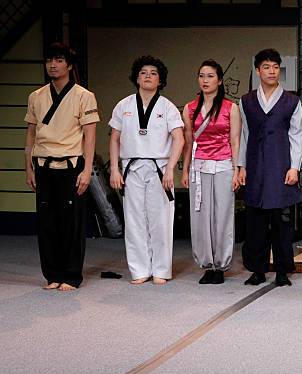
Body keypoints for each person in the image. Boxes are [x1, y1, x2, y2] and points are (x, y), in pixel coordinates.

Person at [24, 42, 99, 291]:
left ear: (68, 64)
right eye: (49, 61)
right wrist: (29, 168)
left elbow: (90, 137)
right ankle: (52, 273)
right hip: (43, 163)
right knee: (47, 221)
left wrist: (87, 170)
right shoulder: (36, 96)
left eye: (58, 60)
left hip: (71, 164)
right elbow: (31, 136)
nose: (53, 65)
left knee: (72, 223)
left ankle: (71, 274)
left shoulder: (83, 96)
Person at [109, 55, 184, 285]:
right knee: (134, 220)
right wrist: (114, 169)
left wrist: (171, 168)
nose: (148, 76)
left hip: (159, 167)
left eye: (153, 73)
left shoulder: (167, 106)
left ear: (160, 80)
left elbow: (179, 139)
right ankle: (139, 269)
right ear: (136, 78)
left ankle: (161, 270)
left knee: (161, 220)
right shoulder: (124, 105)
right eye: (143, 72)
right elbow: (114, 139)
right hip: (131, 167)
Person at [237, 48, 302, 287]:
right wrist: (241, 166)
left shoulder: (291, 101)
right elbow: (243, 135)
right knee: (255, 221)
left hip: (280, 165)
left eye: (275, 67)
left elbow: (298, 135)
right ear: (258, 71)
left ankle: (282, 270)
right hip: (255, 166)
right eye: (266, 67)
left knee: (282, 222)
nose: (271, 71)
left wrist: (294, 167)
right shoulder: (246, 101)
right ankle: (257, 269)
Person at [181, 60, 241, 284]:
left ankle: (221, 265)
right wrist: (185, 170)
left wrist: (237, 170)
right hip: (199, 166)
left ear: (220, 80)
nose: (205, 80)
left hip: (224, 165)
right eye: (201, 76)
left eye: (210, 76)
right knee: (200, 217)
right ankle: (207, 264)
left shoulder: (230, 108)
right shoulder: (189, 108)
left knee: (223, 216)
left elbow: (235, 141)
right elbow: (188, 142)